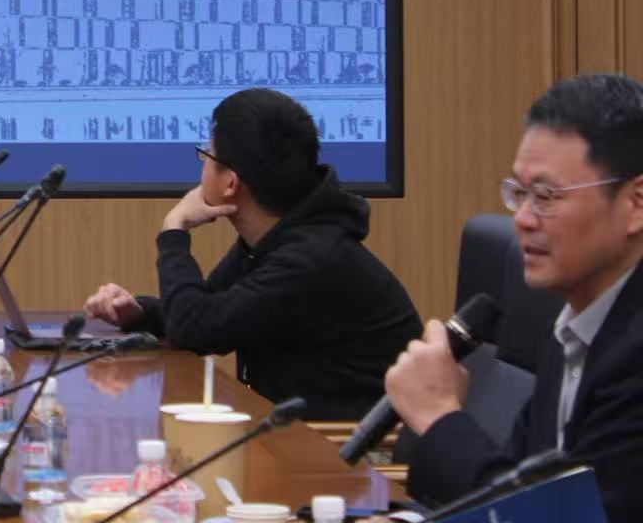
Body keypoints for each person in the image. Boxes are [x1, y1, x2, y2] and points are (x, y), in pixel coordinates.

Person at [387, 72, 643, 520]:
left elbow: (555, 518)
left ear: (635, 203)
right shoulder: (574, 327)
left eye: (545, 195)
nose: (522, 219)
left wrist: (438, 417)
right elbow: (523, 483)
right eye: (519, 194)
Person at [83, 86, 421, 419]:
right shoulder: (282, 238)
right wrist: (139, 314)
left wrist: (175, 229)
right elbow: (210, 311)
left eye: (207, 155)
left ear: (230, 182)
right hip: (302, 431)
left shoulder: (309, 260)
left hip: (352, 442)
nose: (202, 165)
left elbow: (196, 330)